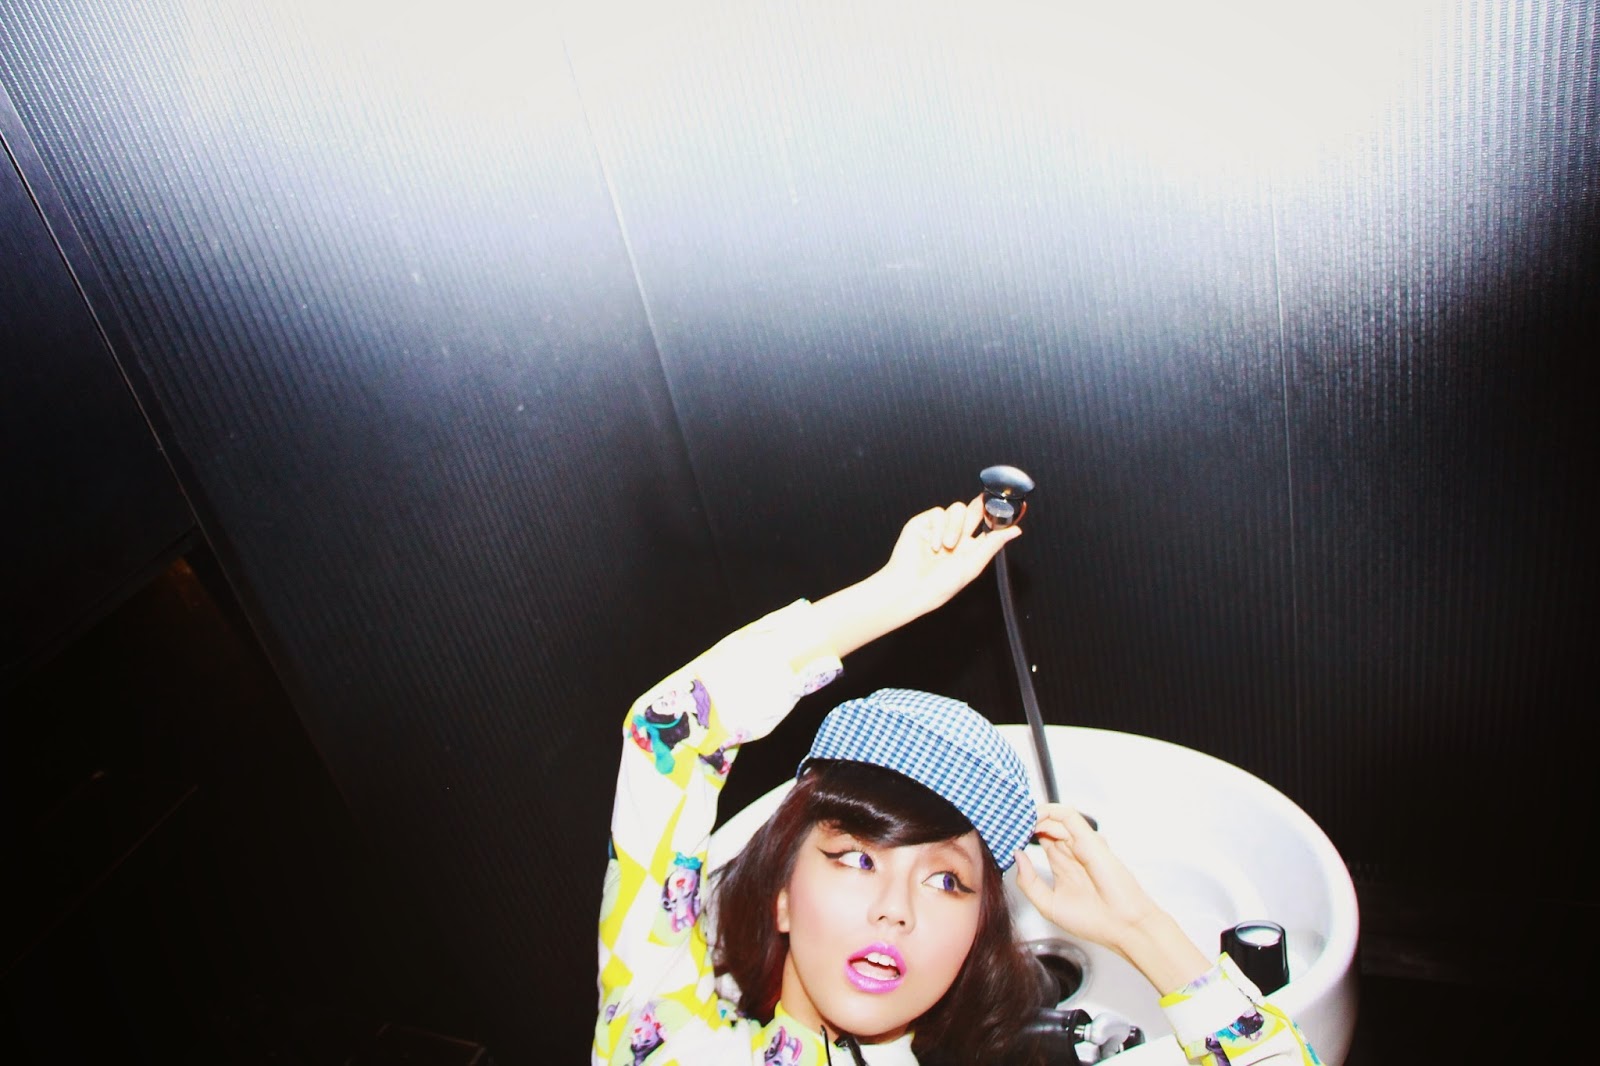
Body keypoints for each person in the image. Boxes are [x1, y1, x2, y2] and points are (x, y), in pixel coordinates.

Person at [594, 497, 1320, 1065]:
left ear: (975, 938)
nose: (895, 911)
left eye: (946, 881)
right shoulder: (671, 1045)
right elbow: (668, 733)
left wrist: (1143, 930)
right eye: (856, 859)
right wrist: (889, 599)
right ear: (782, 894)